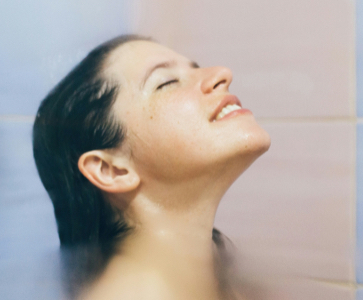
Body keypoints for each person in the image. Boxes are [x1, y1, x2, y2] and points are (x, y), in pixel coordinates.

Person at [32, 35, 270, 300]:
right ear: (112, 170)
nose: (222, 73)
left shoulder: (230, 281)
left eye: (194, 67)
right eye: (167, 82)